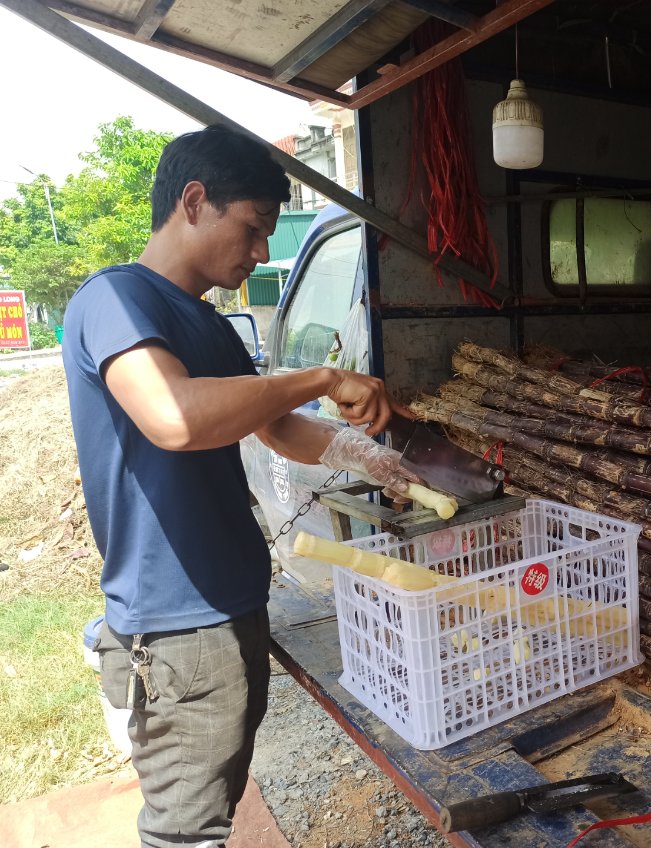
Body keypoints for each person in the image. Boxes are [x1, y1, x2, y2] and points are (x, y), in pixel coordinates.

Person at [62, 124, 413, 848]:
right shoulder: (115, 301)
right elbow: (177, 419)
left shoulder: (212, 329)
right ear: (194, 201)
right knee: (185, 832)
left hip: (229, 607)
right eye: (253, 230)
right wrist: (321, 375)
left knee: (212, 806)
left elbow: (279, 427)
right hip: (175, 623)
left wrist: (365, 454)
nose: (260, 254)